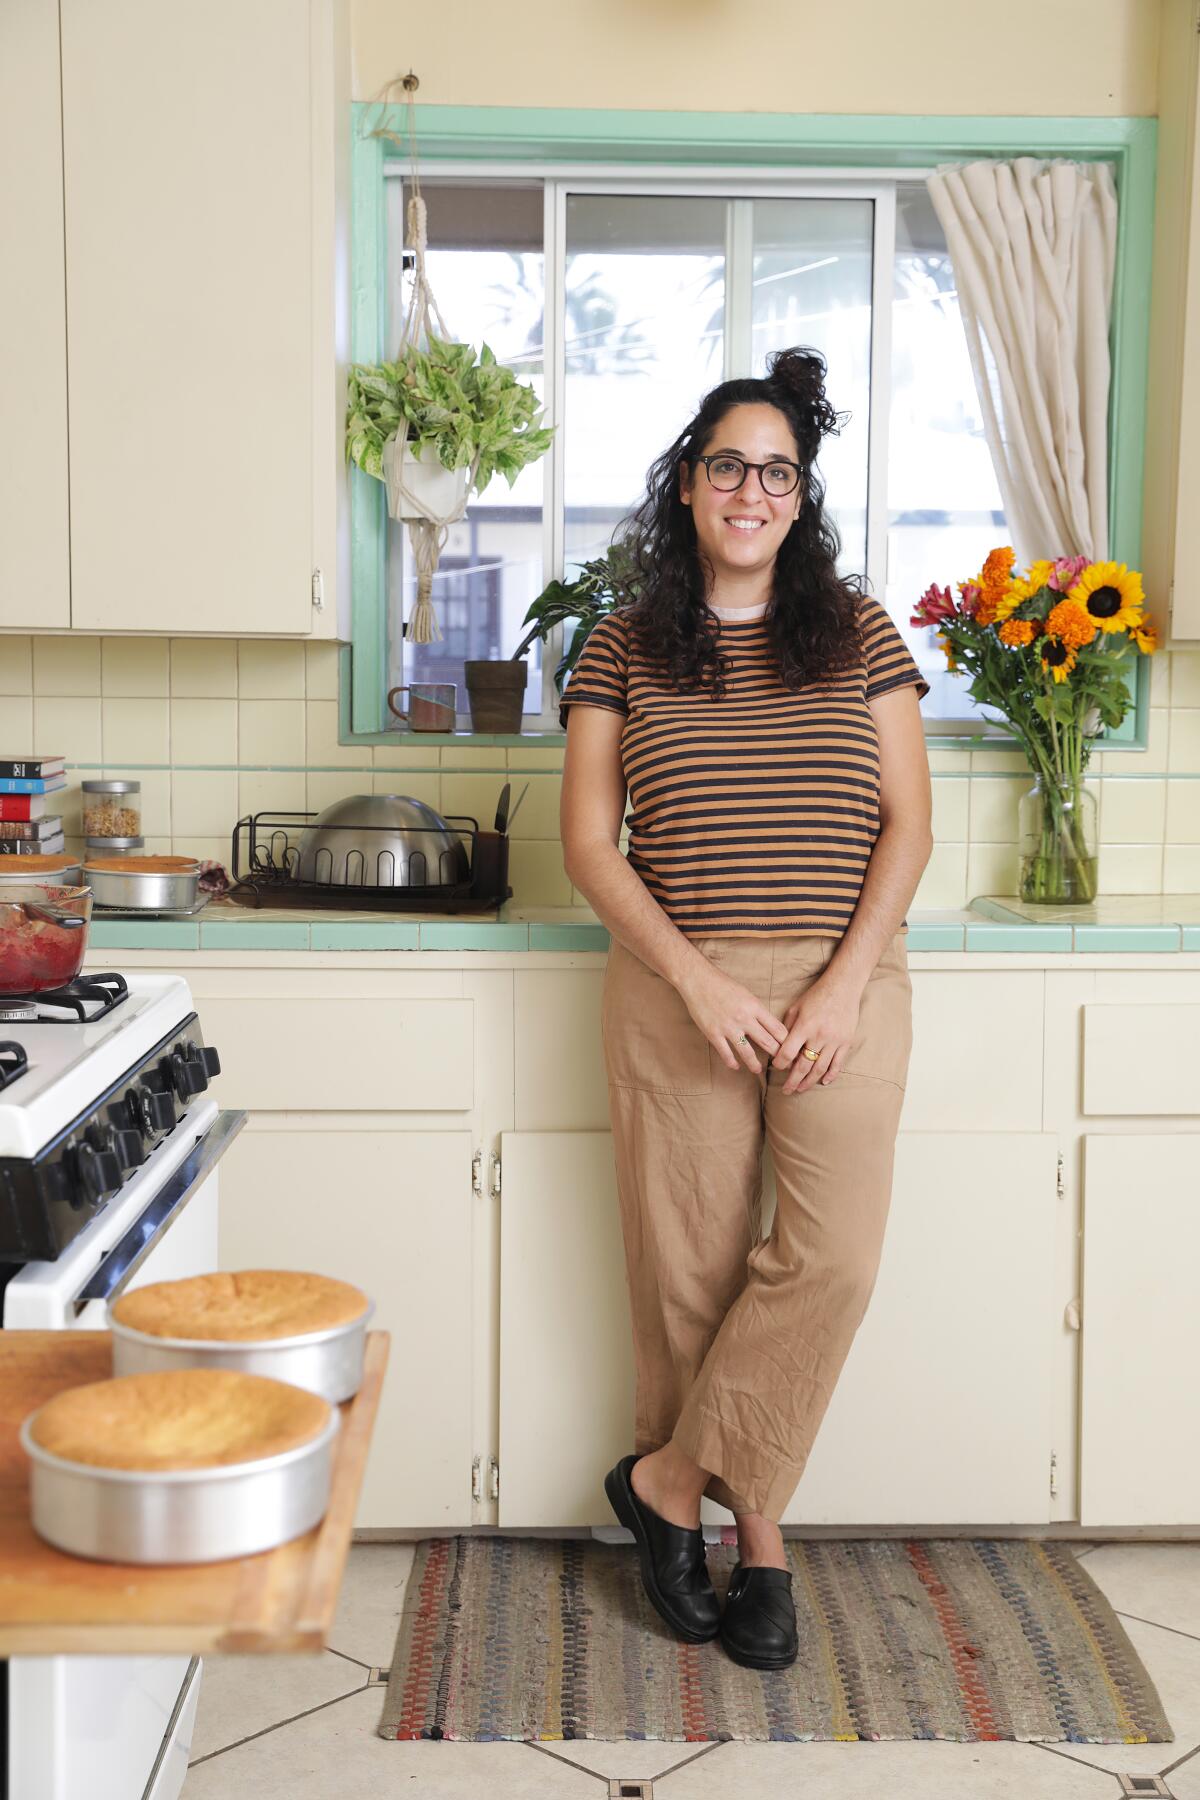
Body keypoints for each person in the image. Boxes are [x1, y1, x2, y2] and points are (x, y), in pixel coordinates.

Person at [558, 346, 934, 1671]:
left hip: (846, 983)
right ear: (689, 482)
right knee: (692, 1274)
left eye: (778, 470)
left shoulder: (861, 632)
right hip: (679, 985)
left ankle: (666, 1490)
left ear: (801, 494)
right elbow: (593, 848)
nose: (753, 489)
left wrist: (842, 980)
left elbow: (908, 825)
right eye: (729, 464)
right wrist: (697, 978)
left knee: (828, 1261)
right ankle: (749, 1546)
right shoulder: (621, 645)